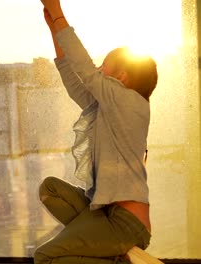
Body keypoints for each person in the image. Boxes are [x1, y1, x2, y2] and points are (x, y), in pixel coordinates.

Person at [35, 0, 158, 263]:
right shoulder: (110, 107)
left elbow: (85, 71)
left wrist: (58, 13)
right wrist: (55, 31)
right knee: (50, 189)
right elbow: (75, 82)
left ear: (122, 77)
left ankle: (113, 254)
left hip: (127, 223)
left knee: (45, 257)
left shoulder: (130, 102)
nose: (99, 70)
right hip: (106, 212)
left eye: (105, 66)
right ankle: (111, 253)